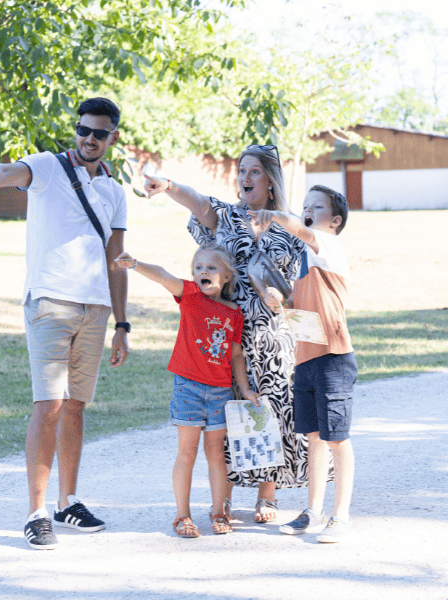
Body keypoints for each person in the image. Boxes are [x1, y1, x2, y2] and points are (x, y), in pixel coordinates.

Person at [0, 98, 130, 550]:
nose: (88, 139)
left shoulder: (116, 191)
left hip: (96, 308)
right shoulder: (47, 167)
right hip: (49, 302)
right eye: (83, 129)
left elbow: (116, 262)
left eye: (99, 133)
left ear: (113, 137)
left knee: (77, 405)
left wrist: (123, 323)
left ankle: (69, 502)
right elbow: (2, 174)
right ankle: (37, 511)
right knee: (50, 405)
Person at [144, 145, 306, 523]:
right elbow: (198, 204)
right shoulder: (228, 218)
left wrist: (280, 296)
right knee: (225, 416)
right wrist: (167, 185)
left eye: (253, 172)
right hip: (224, 337)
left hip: (270, 336)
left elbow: (295, 288)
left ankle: (268, 495)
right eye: (241, 172)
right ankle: (224, 500)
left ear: (269, 180)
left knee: (268, 412)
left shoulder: (289, 226)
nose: (245, 179)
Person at [114, 243, 259, 538]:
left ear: (227, 277)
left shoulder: (234, 313)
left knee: (216, 455)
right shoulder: (190, 294)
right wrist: (135, 264)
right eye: (198, 267)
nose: (203, 272)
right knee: (186, 453)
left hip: (219, 390)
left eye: (211, 267)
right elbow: (164, 276)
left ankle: (218, 512)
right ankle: (182, 516)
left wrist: (245, 389)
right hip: (188, 388)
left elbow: (236, 355)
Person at [249, 185, 357, 543]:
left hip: (333, 359)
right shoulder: (305, 263)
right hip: (306, 359)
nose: (308, 210)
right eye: (305, 205)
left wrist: (274, 215)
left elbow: (301, 230)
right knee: (314, 439)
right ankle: (313, 511)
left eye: (317, 207)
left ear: (335, 220)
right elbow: (301, 309)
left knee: (336, 439)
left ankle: (340, 516)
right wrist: (281, 300)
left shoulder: (328, 245)